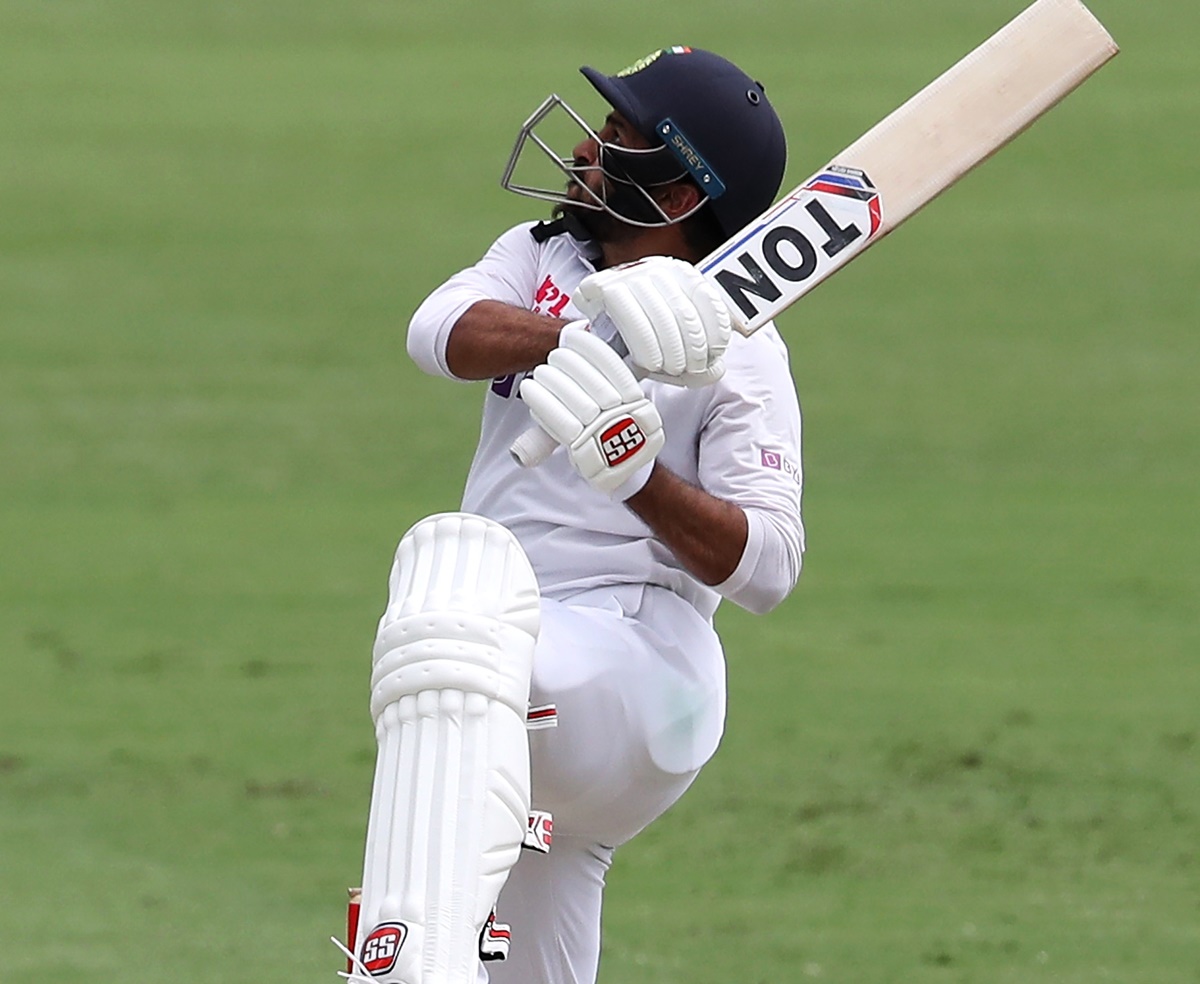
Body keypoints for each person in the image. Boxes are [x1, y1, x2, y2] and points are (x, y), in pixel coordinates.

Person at [354, 46, 805, 984]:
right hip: (528, 686)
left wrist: (637, 477)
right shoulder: (544, 259)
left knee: (449, 588)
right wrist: (589, 335)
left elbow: (768, 567)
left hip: (642, 675)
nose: (592, 146)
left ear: (680, 195)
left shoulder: (743, 351)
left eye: (622, 137)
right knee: (468, 620)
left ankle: (398, 966)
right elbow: (438, 334)